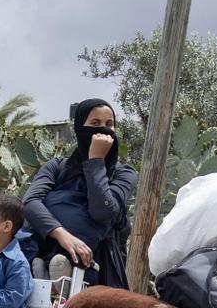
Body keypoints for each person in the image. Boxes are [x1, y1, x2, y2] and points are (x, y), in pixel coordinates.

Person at [21, 98, 137, 289]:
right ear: (78, 128)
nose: (102, 130)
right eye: (94, 123)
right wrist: (63, 236)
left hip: (99, 264)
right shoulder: (57, 167)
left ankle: (64, 277)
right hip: (47, 247)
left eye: (109, 124)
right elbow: (31, 202)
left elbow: (103, 211)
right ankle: (52, 274)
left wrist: (96, 161)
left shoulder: (123, 173)